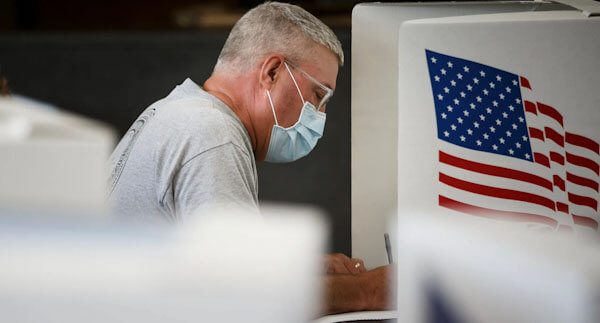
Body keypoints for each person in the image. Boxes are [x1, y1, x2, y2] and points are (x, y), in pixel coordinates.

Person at [107, 1, 394, 315]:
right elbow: (242, 295)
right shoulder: (212, 132)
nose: (321, 116)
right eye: (318, 96)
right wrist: (369, 291)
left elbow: (206, 269)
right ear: (271, 72)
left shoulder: (177, 112)